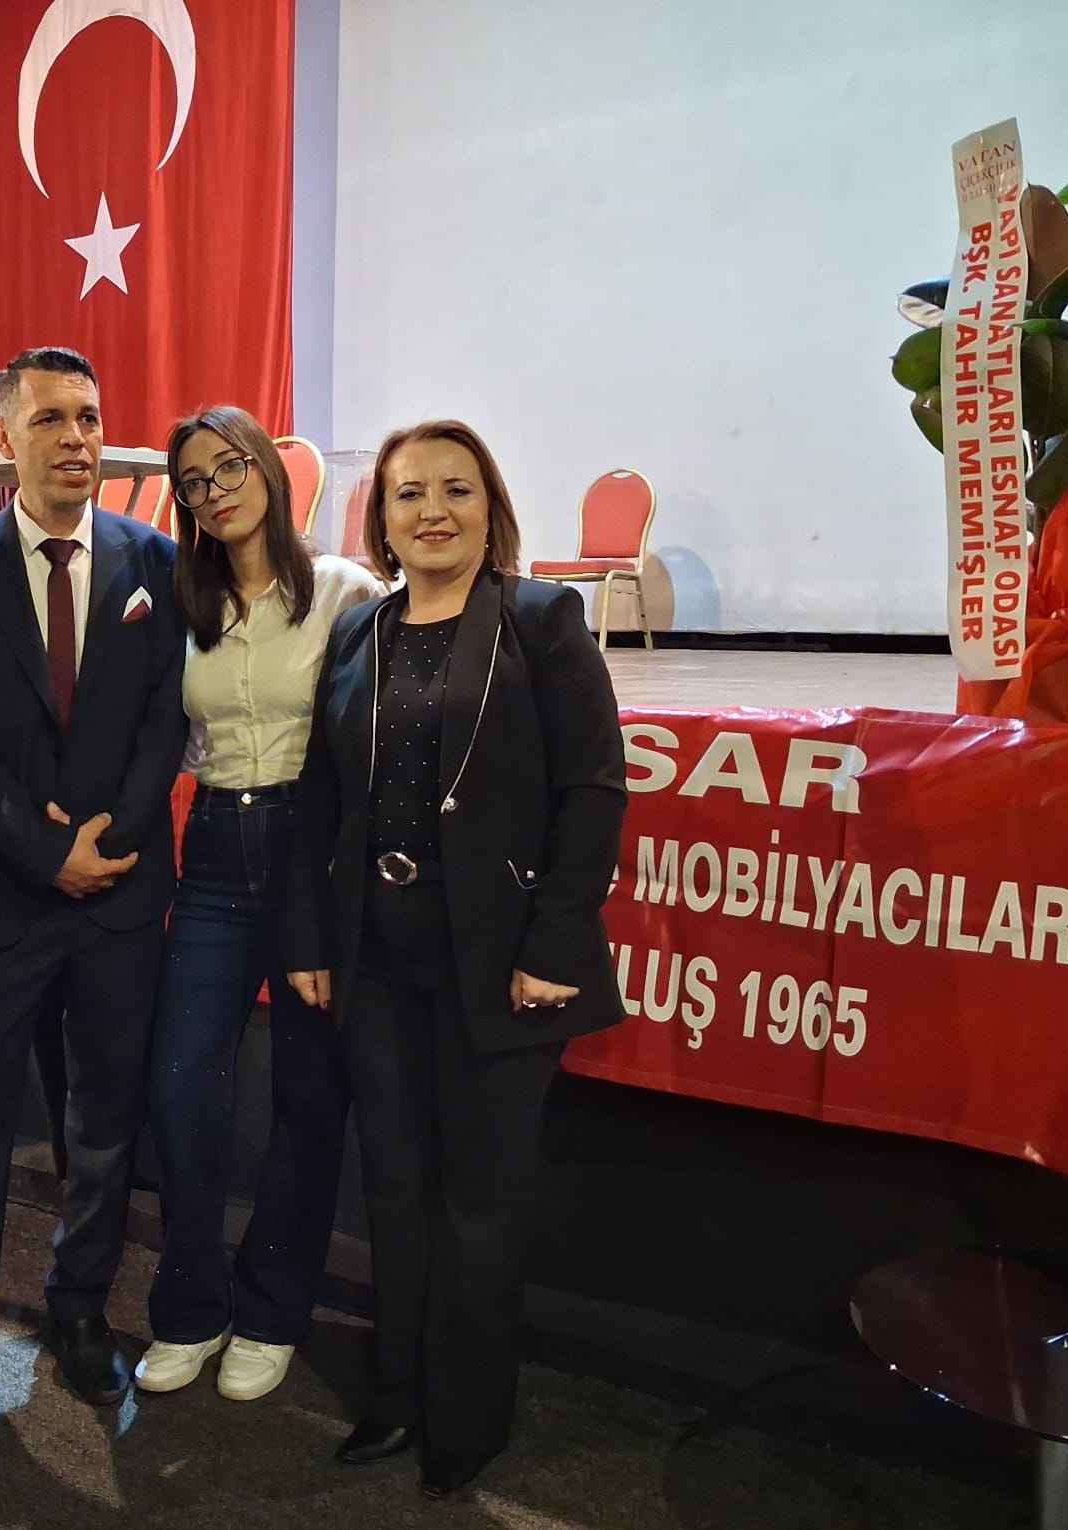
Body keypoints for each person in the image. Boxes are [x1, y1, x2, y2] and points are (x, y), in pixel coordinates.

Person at [284, 420, 627, 1499]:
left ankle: (466, 1417)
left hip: (505, 963)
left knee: (480, 1200)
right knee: (394, 1188)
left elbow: (593, 789)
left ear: (490, 509)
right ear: (380, 520)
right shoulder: (359, 631)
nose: (432, 510)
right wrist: (309, 938)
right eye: (408, 494)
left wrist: (556, 942)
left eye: (456, 490)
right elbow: (321, 799)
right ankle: (396, 1394)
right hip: (377, 957)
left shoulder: (542, 620)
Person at [0, 346, 188, 1441]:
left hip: (119, 894)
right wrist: (45, 851)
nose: (77, 438)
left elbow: (165, 722)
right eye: (51, 419)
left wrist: (105, 843)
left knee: (104, 1126)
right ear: (4, 438)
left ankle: (81, 1312)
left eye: (90, 416)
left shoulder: (157, 560)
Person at [134, 408, 383, 1403]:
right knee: (182, 1087)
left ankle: (275, 1309)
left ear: (269, 470)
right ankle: (192, 1306)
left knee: (307, 1097)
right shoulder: (185, 604)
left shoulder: (344, 591)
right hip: (214, 850)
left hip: (309, 853)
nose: (214, 492)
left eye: (229, 467)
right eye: (194, 483)